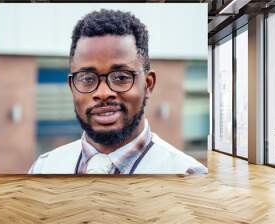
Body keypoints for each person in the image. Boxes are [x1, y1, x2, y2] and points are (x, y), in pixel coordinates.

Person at [29, 9, 207, 175]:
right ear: (72, 87)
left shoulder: (187, 174)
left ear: (148, 84)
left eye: (121, 77)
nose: (103, 93)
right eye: (87, 78)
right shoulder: (44, 168)